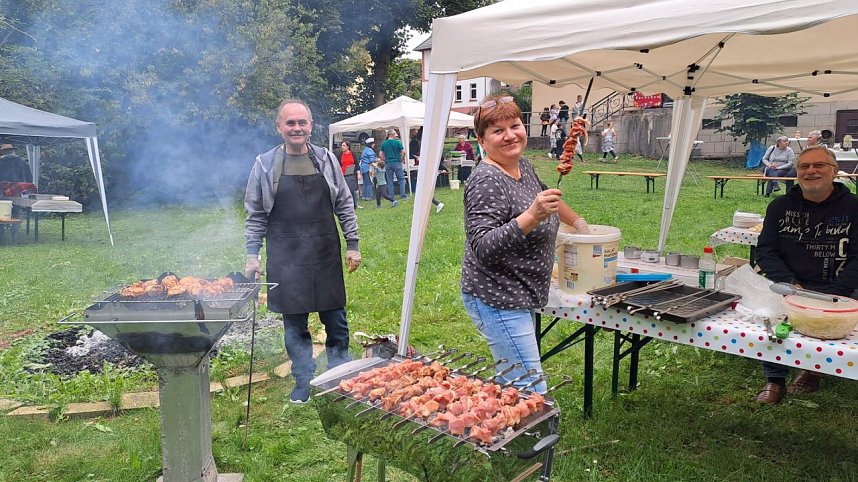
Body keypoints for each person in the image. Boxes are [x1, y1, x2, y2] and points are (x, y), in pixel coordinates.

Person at [461, 93, 590, 394]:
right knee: (530, 391)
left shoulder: (523, 166)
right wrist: (531, 216)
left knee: (514, 384)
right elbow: (483, 247)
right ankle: (525, 426)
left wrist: (579, 223)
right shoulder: (486, 180)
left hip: (520, 292)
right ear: (482, 140)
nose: (510, 135)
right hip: (497, 297)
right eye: (498, 130)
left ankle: (502, 419)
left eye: (515, 126)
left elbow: (549, 199)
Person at [244, 99, 361, 404]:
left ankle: (339, 376)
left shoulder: (326, 159)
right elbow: (255, 213)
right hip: (285, 255)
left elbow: (344, 203)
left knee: (335, 320)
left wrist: (353, 244)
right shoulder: (264, 164)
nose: (296, 128)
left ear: (311, 126)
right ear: (279, 127)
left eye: (302, 122)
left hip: (324, 250)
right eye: (290, 123)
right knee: (294, 325)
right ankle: (303, 380)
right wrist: (252, 255)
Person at [754, 145, 858, 404]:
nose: (811, 171)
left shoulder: (854, 208)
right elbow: (765, 250)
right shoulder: (779, 206)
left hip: (840, 286)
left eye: (818, 165)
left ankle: (813, 369)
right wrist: (790, 284)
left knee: (831, 323)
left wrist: (836, 292)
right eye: (804, 166)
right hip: (791, 283)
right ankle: (774, 378)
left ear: (834, 171)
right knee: (771, 317)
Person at [380, 130, 407, 199]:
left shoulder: (384, 143)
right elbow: (404, 151)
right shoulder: (397, 142)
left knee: (390, 180)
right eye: (395, 134)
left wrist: (384, 160)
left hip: (388, 163)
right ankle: (403, 195)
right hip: (397, 162)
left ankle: (391, 196)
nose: (396, 136)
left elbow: (380, 154)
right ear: (392, 134)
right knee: (401, 179)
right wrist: (401, 159)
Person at [338, 140, 361, 209]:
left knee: (354, 190)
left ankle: (356, 204)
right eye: (342, 145)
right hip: (343, 175)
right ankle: (346, 204)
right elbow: (338, 165)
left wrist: (358, 174)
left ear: (348, 147)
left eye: (344, 145)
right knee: (345, 191)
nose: (342, 147)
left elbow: (357, 165)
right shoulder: (340, 155)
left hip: (352, 175)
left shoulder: (353, 154)